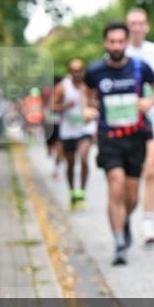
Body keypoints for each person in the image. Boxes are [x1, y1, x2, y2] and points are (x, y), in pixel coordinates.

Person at [83, 22, 154, 265]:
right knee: (114, 185)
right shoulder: (95, 71)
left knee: (132, 197)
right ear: (106, 43)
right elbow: (87, 94)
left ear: (126, 42)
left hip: (136, 137)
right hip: (109, 139)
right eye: (112, 41)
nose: (116, 45)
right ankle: (118, 242)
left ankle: (124, 220)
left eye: (120, 41)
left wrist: (150, 102)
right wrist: (87, 108)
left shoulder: (140, 67)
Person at [125, 8, 154, 244]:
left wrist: (152, 99)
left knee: (150, 170)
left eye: (141, 23)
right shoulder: (120, 50)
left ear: (147, 27)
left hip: (153, 115)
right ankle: (125, 218)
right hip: (126, 120)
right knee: (128, 175)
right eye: (132, 23)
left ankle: (148, 223)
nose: (137, 27)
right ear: (127, 26)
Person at [53, 59, 97, 209]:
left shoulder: (89, 86)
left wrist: (93, 108)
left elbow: (97, 102)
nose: (77, 73)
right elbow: (53, 106)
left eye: (80, 70)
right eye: (74, 70)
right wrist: (65, 105)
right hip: (68, 130)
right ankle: (72, 192)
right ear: (69, 71)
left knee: (84, 157)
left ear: (83, 71)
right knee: (70, 163)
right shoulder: (62, 87)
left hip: (85, 128)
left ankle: (82, 193)